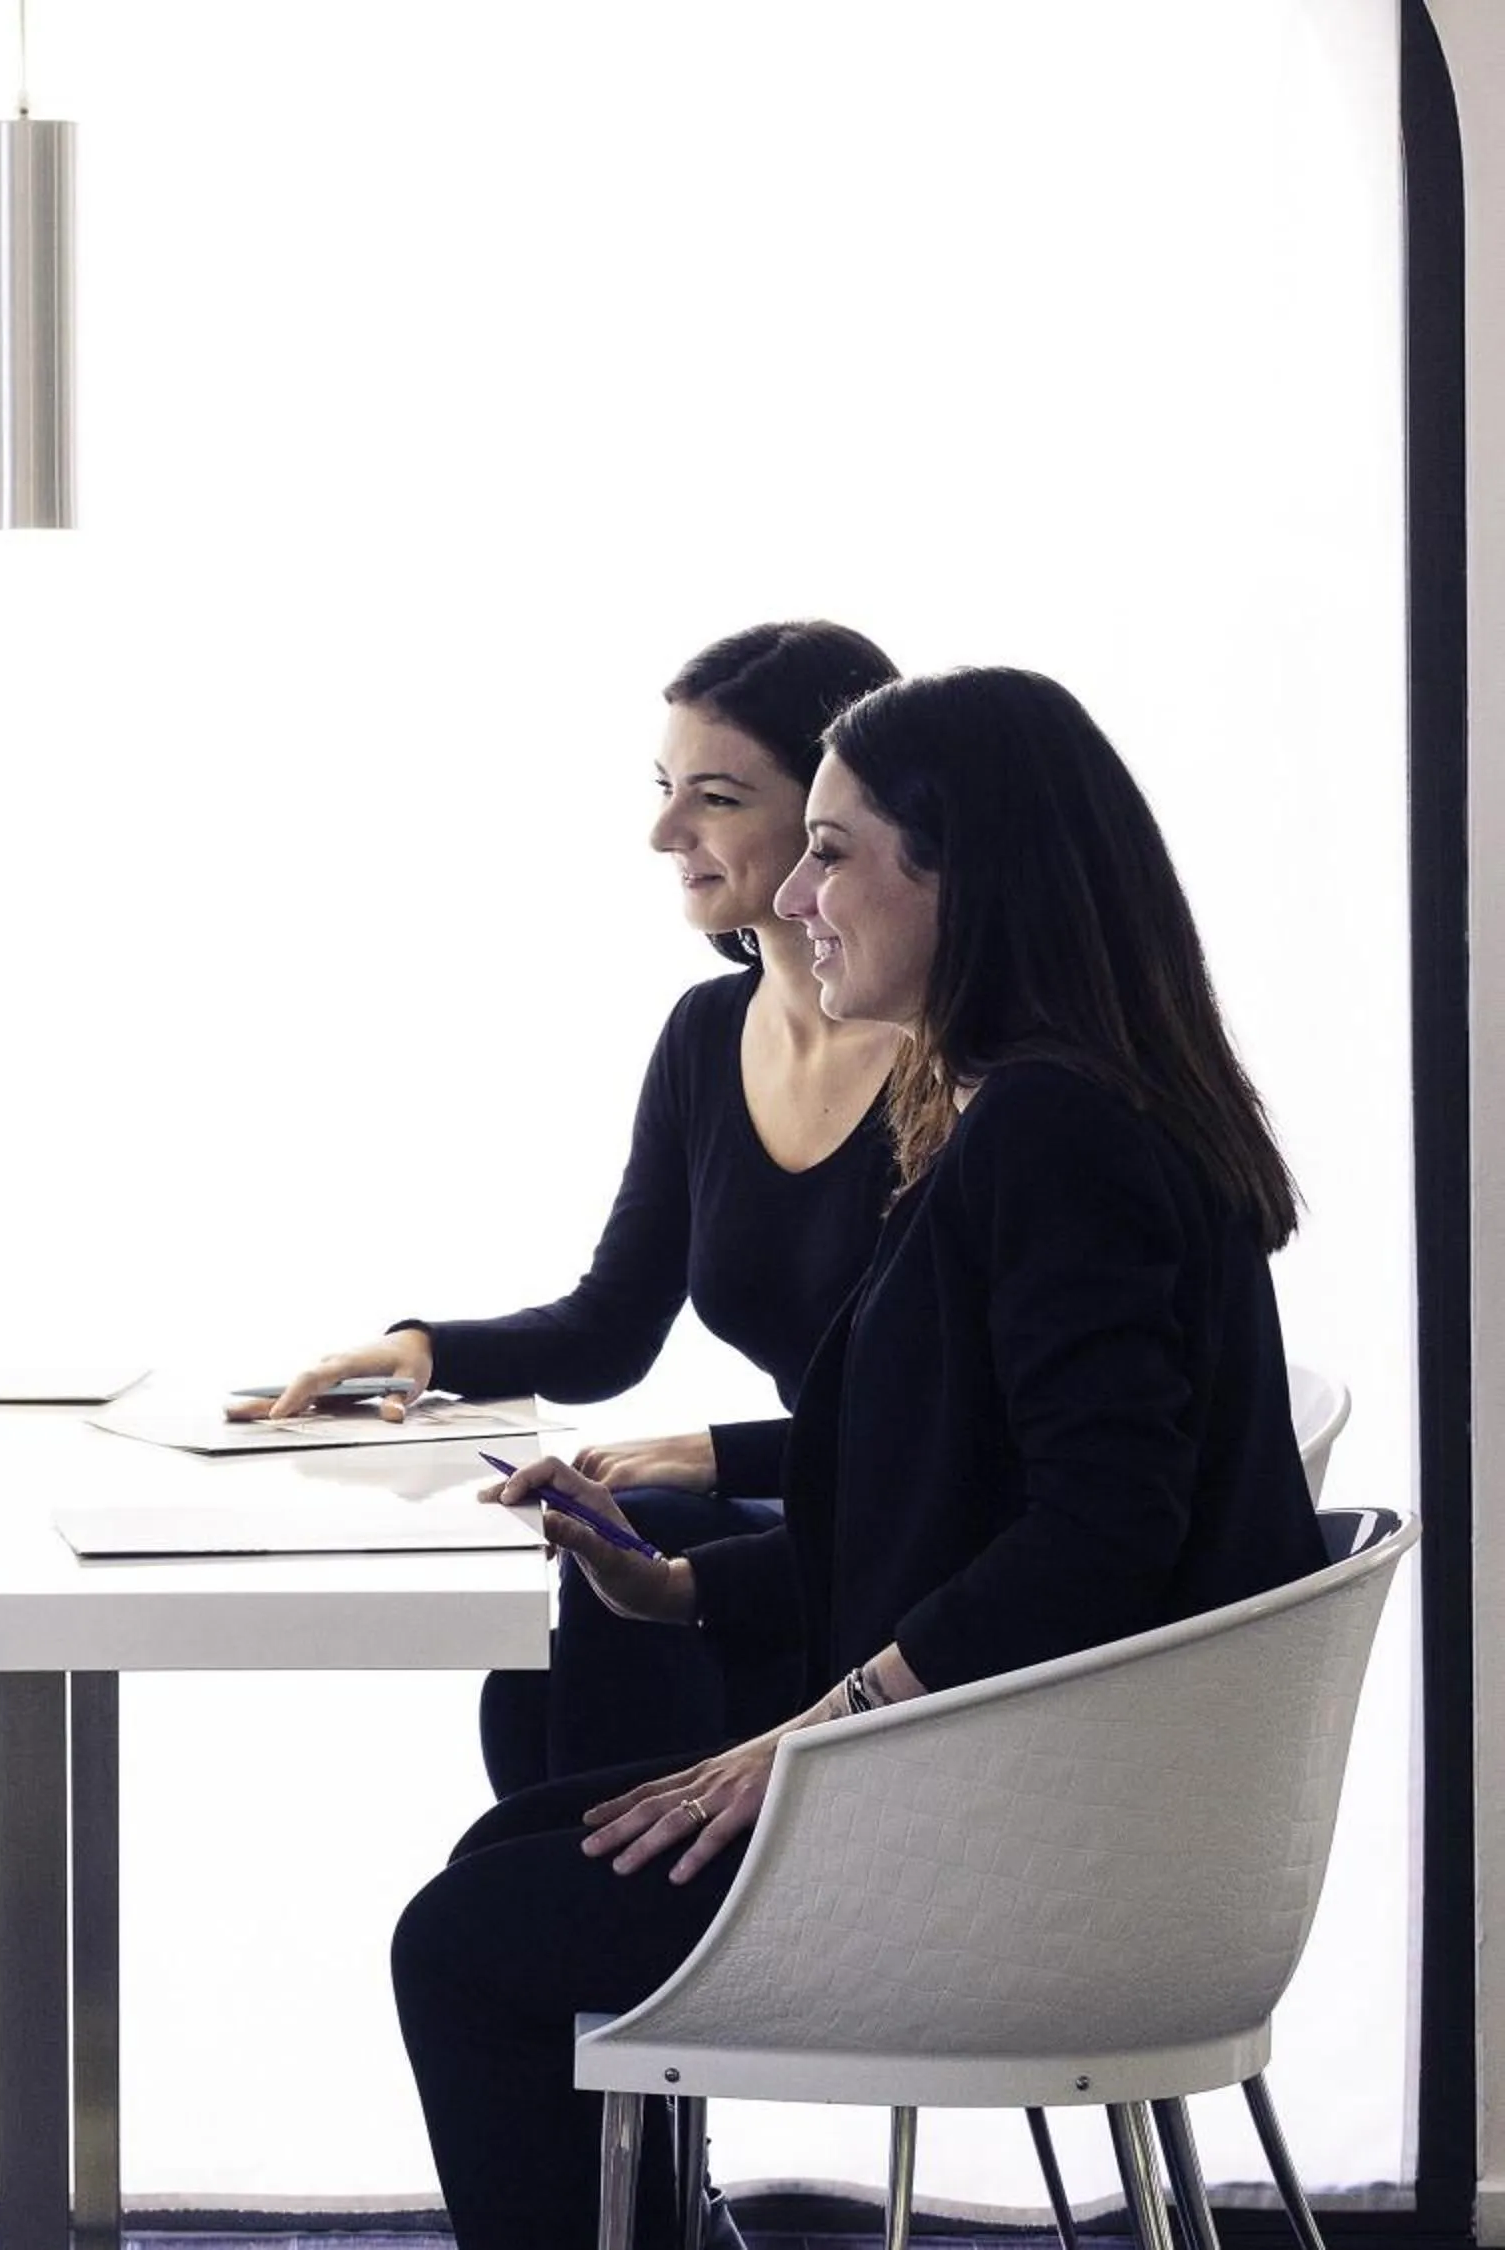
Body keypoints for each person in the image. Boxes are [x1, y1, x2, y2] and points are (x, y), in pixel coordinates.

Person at [389, 665, 1328, 2250]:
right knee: (513, 1846)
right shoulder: (1046, 1107)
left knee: (473, 1938)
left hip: (1029, 1851)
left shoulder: (1049, 1131)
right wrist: (679, 1580)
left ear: (965, 875)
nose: (797, 897)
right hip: (1046, 1799)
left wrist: (812, 1739)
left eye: (832, 851)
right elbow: (970, 1506)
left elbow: (1100, 1533)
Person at [249, 622, 904, 1787]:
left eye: (712, 797)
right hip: (822, 1510)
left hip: (900, 1558)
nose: (664, 833)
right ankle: (599, 1936)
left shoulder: (950, 1072)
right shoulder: (710, 1037)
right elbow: (610, 1328)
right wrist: (420, 1350)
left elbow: (954, 1434)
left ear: (830, 817)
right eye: (664, 789)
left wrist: (712, 1454)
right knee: (536, 1652)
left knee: (616, 1571)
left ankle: (612, 1930)